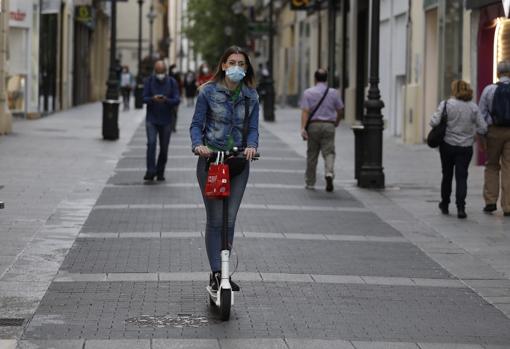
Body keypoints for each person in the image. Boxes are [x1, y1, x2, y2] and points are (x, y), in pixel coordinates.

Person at [190, 45, 259, 291]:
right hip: (212, 162)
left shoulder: (251, 95)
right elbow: (196, 125)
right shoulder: (207, 92)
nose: (237, 68)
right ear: (223, 65)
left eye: (241, 64)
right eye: (232, 62)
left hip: (238, 163)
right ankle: (218, 273)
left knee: (230, 220)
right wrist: (198, 145)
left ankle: (225, 273)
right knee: (216, 220)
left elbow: (252, 128)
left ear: (246, 67)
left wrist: (252, 146)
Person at [430, 80, 487, 219]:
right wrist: (473, 136)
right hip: (465, 147)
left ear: (454, 90)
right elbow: (483, 127)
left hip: (447, 146)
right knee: (462, 177)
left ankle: (445, 204)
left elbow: (433, 122)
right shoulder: (473, 107)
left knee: (447, 175)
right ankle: (461, 208)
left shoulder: (446, 104)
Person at [300, 69, 344, 192]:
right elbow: (340, 109)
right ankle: (329, 172)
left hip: (313, 125)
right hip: (329, 125)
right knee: (329, 151)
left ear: (315, 79)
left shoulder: (308, 93)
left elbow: (305, 112)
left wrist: (303, 128)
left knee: (312, 154)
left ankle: (310, 182)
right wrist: (337, 121)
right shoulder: (334, 93)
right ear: (326, 79)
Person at [479, 61, 510, 217]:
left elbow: (481, 115)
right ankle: (508, 206)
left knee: (491, 166)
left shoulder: (489, 90)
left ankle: (490, 201)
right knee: (508, 168)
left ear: (498, 73)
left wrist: (482, 135)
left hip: (493, 132)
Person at [142, 60, 180, 181]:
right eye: (158, 71)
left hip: (166, 120)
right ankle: (150, 171)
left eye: (162, 71)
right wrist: (152, 99)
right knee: (151, 144)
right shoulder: (149, 81)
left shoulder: (172, 82)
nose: (160, 73)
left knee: (164, 148)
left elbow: (177, 99)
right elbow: (143, 98)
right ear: (155, 70)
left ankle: (160, 171)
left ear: (165, 71)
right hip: (151, 119)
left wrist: (166, 100)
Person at [168, 64, 183, 133]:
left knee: (174, 112)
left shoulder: (178, 77)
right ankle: (170, 126)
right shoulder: (168, 77)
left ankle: (173, 126)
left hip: (176, 97)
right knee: (170, 112)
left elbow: (180, 86)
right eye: (174, 68)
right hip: (169, 97)